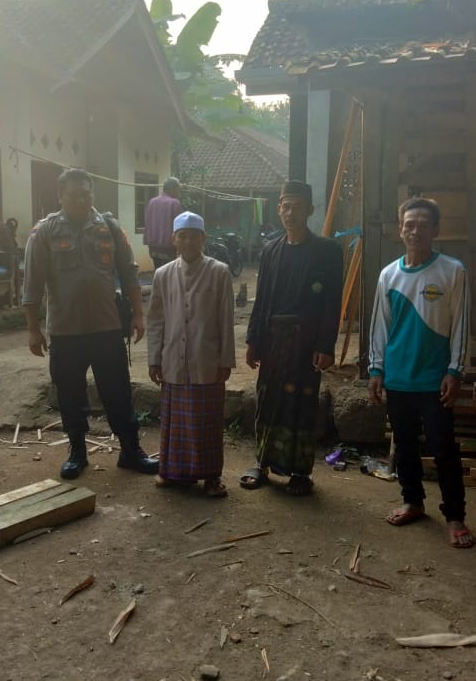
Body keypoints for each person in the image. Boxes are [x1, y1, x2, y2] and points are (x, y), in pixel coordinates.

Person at [22, 168, 159, 480]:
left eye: (86, 194)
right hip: (65, 331)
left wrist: (138, 315)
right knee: (70, 394)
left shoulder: (108, 226)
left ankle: (130, 450)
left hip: (106, 327)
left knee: (118, 392)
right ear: (60, 196)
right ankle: (77, 453)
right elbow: (32, 283)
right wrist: (32, 329)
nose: (81, 200)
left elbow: (129, 273)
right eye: (73, 195)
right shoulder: (44, 232)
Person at [368, 197, 474, 548]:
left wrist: (455, 370)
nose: (415, 231)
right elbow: (380, 327)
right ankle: (412, 501)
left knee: (444, 447)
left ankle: (455, 515)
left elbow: (461, 325)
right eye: (409, 225)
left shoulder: (452, 271)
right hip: (399, 379)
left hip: (435, 380)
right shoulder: (389, 275)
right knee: (405, 445)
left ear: (436, 230)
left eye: (423, 225)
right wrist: (376, 369)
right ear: (400, 230)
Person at [241, 180, 342, 496]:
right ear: (278, 209)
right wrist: (253, 340)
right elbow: (261, 299)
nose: (290, 212)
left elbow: (332, 302)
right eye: (285, 206)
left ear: (310, 210)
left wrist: (325, 345)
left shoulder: (327, 251)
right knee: (267, 399)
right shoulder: (271, 250)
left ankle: (300, 472)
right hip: (273, 340)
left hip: (306, 341)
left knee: (302, 402)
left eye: (297, 206)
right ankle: (262, 463)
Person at [146, 211, 235, 497]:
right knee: (176, 423)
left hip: (206, 359)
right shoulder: (162, 274)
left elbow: (226, 319)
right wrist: (154, 358)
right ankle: (174, 473)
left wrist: (225, 360)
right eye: (182, 236)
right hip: (173, 358)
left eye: (193, 236)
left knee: (207, 422)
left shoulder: (219, 272)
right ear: (173, 239)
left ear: (203, 239)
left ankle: (211, 477)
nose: (188, 242)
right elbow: (155, 320)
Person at [144, 177, 184, 269]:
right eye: (178, 189)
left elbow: (147, 224)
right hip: (169, 250)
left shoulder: (152, 202)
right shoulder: (174, 203)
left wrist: (149, 245)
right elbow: (180, 228)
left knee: (159, 273)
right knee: (170, 275)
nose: (179, 192)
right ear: (173, 188)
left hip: (154, 249)